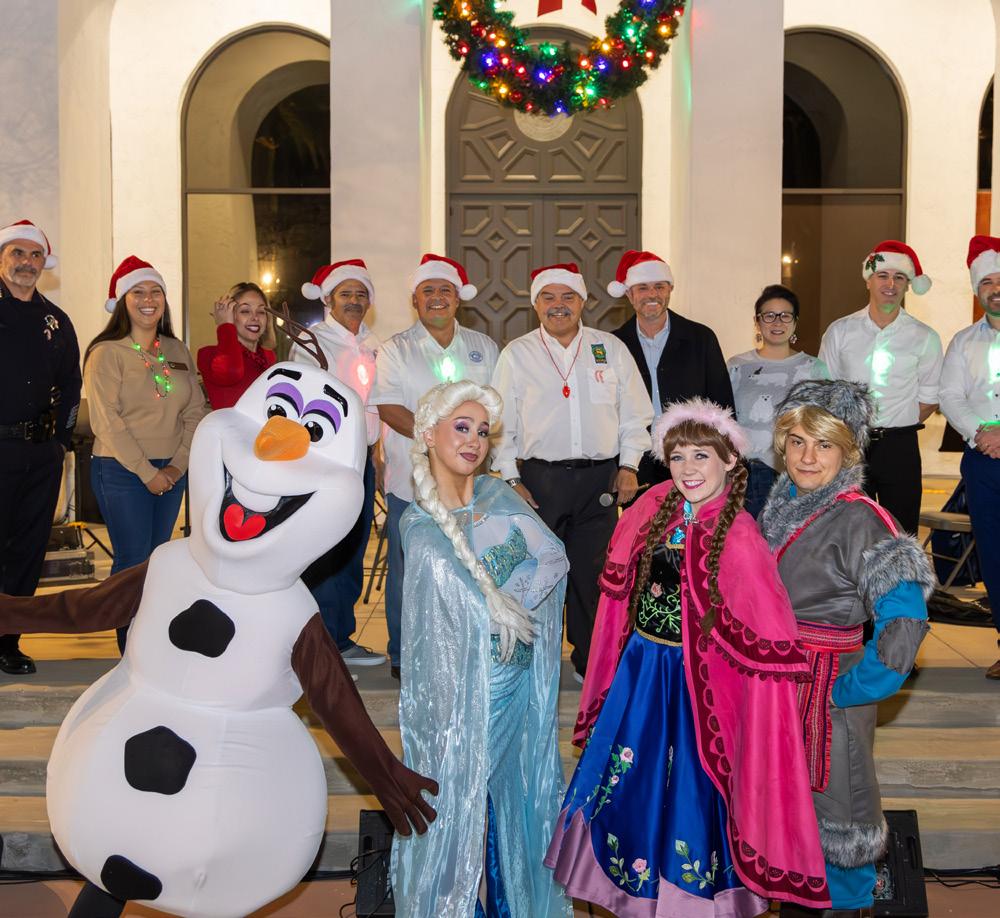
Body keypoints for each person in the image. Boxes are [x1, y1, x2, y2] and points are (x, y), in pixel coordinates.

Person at [546, 398, 830, 916]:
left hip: (699, 694)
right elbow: (618, 590)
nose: (687, 468)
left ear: (730, 461)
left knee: (689, 795)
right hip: (641, 677)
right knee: (629, 787)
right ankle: (632, 891)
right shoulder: (656, 507)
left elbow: (764, 629)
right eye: (677, 457)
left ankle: (689, 901)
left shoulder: (740, 535)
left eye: (701, 456)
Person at [391, 380, 570, 917]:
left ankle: (510, 905)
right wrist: (503, 606)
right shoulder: (420, 526)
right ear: (428, 435)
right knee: (456, 803)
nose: (473, 440)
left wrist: (514, 599)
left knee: (508, 800)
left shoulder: (499, 495)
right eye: (462, 428)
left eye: (483, 432)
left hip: (514, 685)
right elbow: (460, 612)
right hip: (461, 698)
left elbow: (554, 555)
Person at [759, 379, 933, 916]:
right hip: (776, 689)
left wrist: (847, 690)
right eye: (797, 442)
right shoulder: (781, 505)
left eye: (824, 444)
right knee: (786, 824)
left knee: (840, 821)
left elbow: (906, 622)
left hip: (827, 695)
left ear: (849, 449)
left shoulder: (862, 517)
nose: (808, 457)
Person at [492, 262, 652, 681]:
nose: (558, 305)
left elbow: (636, 413)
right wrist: (511, 478)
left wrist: (629, 465)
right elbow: (501, 422)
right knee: (536, 574)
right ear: (535, 305)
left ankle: (589, 662)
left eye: (568, 297)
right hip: (539, 481)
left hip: (600, 480)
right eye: (548, 297)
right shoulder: (517, 354)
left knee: (593, 576)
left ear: (583, 302)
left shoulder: (609, 349)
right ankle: (536, 662)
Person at [370, 254, 498, 677]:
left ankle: (461, 650)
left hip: (466, 485)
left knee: (465, 566)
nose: (437, 297)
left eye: (445, 290)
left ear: (458, 298)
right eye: (428, 291)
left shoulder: (483, 347)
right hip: (411, 482)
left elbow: (494, 408)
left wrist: (464, 448)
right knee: (408, 571)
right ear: (415, 300)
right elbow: (388, 406)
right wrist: (439, 442)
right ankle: (404, 655)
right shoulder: (395, 349)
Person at [84, 256, 209, 651]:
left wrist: (176, 466)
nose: (148, 299)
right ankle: (130, 651)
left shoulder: (176, 349)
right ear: (122, 301)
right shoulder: (106, 352)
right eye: (138, 292)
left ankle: (151, 645)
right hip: (120, 469)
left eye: (156, 291)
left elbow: (196, 411)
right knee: (133, 560)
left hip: (171, 470)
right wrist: (146, 471)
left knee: (158, 562)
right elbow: (106, 421)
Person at [292, 259, 385, 666]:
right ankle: (319, 642)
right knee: (323, 551)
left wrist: (379, 454)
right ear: (328, 299)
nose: (354, 301)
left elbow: (379, 406)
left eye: (361, 294)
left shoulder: (374, 345)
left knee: (352, 549)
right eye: (346, 293)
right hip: (325, 462)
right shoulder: (311, 343)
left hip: (361, 461)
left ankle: (340, 638)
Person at [0, 219, 81, 675]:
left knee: (28, 552)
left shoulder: (57, 320)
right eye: (17, 252)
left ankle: (8, 641)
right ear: (2, 258)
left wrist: (60, 443)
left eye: (35, 255)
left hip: (40, 454)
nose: (27, 262)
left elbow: (71, 385)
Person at [818, 240, 943, 534]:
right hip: (849, 446)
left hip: (900, 448)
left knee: (901, 532)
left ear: (908, 285)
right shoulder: (840, 331)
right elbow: (825, 392)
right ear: (868, 280)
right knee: (847, 531)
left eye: (899, 277)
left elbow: (930, 397)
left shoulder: (925, 337)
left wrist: (892, 423)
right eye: (883, 275)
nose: (890, 284)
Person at [608, 249, 734, 491]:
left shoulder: (701, 338)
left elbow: (722, 404)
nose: (652, 294)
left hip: (694, 459)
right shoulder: (615, 344)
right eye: (642, 288)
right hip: (635, 465)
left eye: (659, 286)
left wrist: (727, 459)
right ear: (629, 294)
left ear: (669, 290)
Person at [940, 235, 1000, 680]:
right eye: (987, 283)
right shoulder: (963, 342)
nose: (995, 290)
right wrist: (983, 435)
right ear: (977, 290)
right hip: (982, 461)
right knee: (994, 554)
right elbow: (949, 396)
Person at [727, 284, 828, 517]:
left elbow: (824, 426)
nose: (777, 322)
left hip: (793, 474)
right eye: (769, 315)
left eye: (785, 316)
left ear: (795, 322)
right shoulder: (736, 366)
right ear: (757, 321)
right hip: (743, 475)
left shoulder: (814, 368)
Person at [196, 281, 275, 409]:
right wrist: (225, 326)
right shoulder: (208, 355)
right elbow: (231, 372)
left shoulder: (269, 357)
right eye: (245, 311)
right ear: (230, 315)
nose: (255, 317)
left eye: (261, 312)